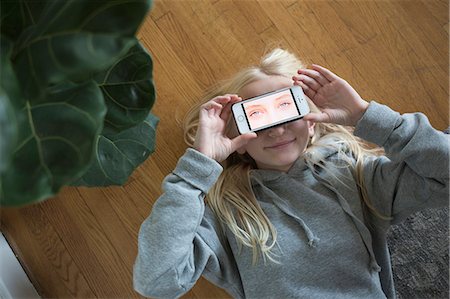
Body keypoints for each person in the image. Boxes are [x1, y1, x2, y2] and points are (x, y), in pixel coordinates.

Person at [133, 49, 449, 299]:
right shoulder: (224, 214)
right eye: (256, 116)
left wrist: (367, 116)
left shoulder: (356, 177)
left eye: (286, 108)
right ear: (238, 141)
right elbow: (157, 281)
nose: (277, 128)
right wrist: (197, 169)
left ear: (311, 121)